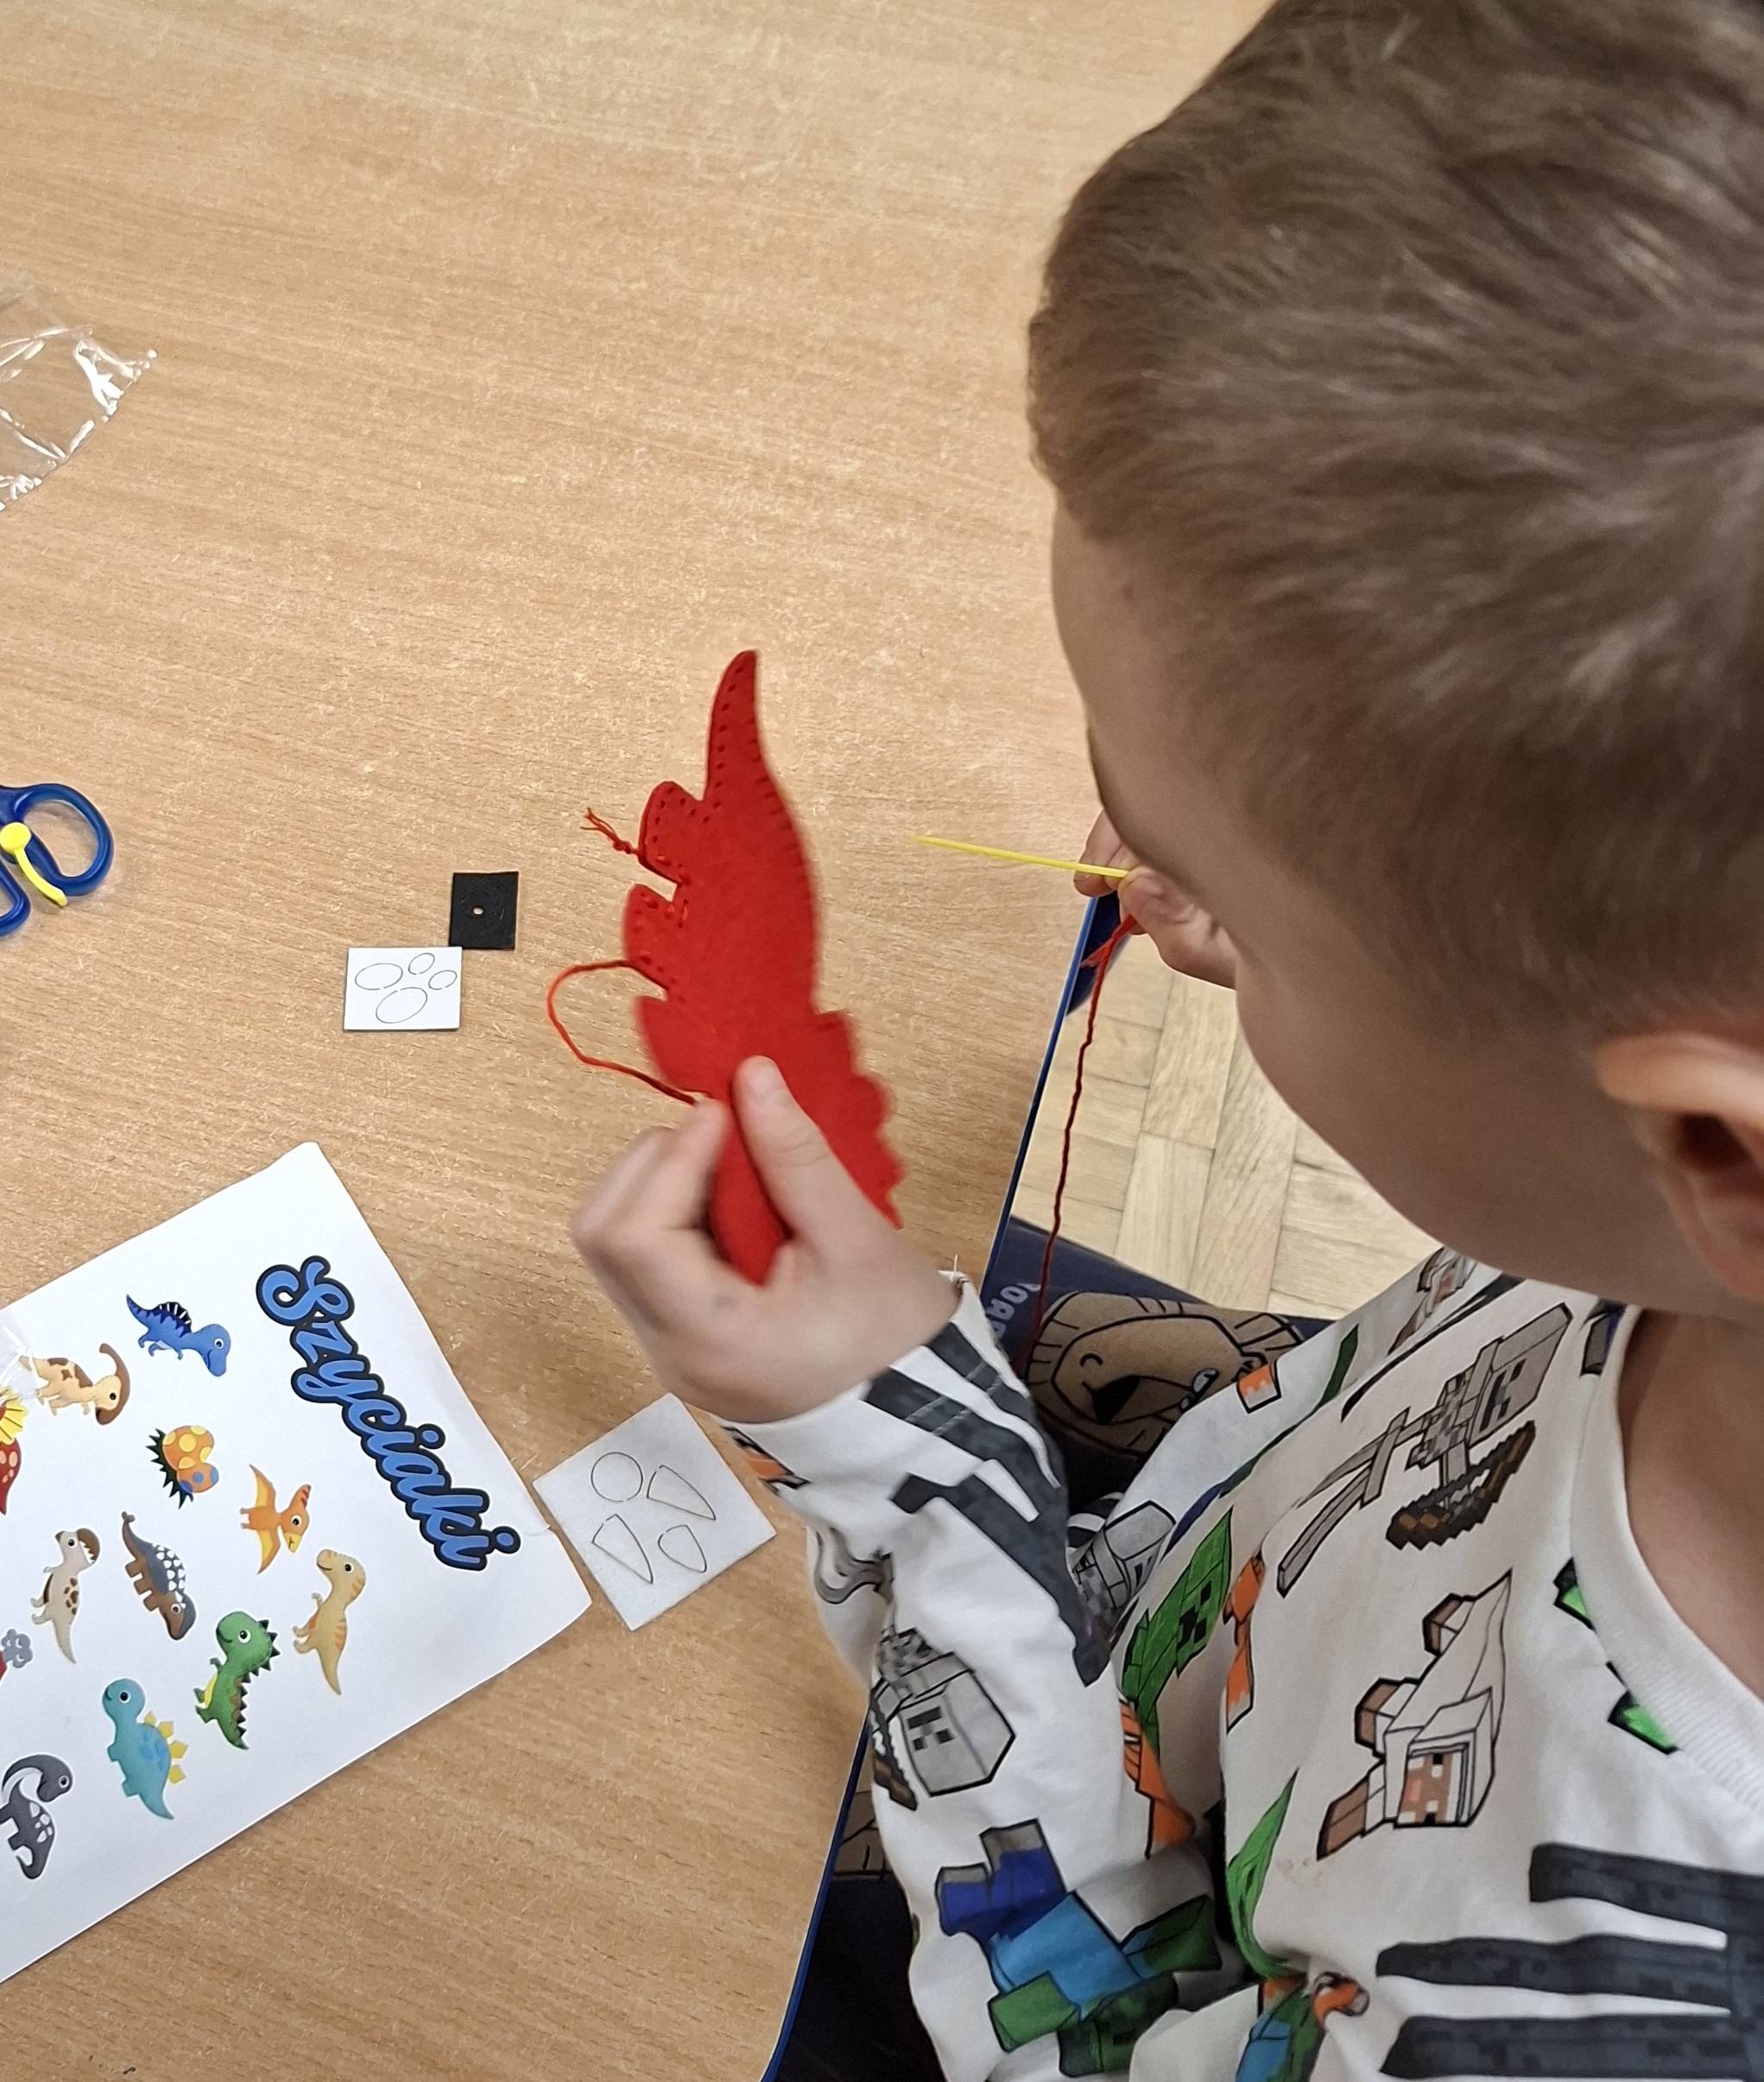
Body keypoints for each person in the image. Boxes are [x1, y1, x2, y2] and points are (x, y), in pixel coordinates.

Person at [573, 0, 1764, 2073]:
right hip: (1235, 1586)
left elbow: (1093, 2034)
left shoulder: (1588, 2012)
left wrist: (910, 1479)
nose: (1128, 869)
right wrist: (1307, 925)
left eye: (1204, 870)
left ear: (1719, 1152)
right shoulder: (1658, 1208)